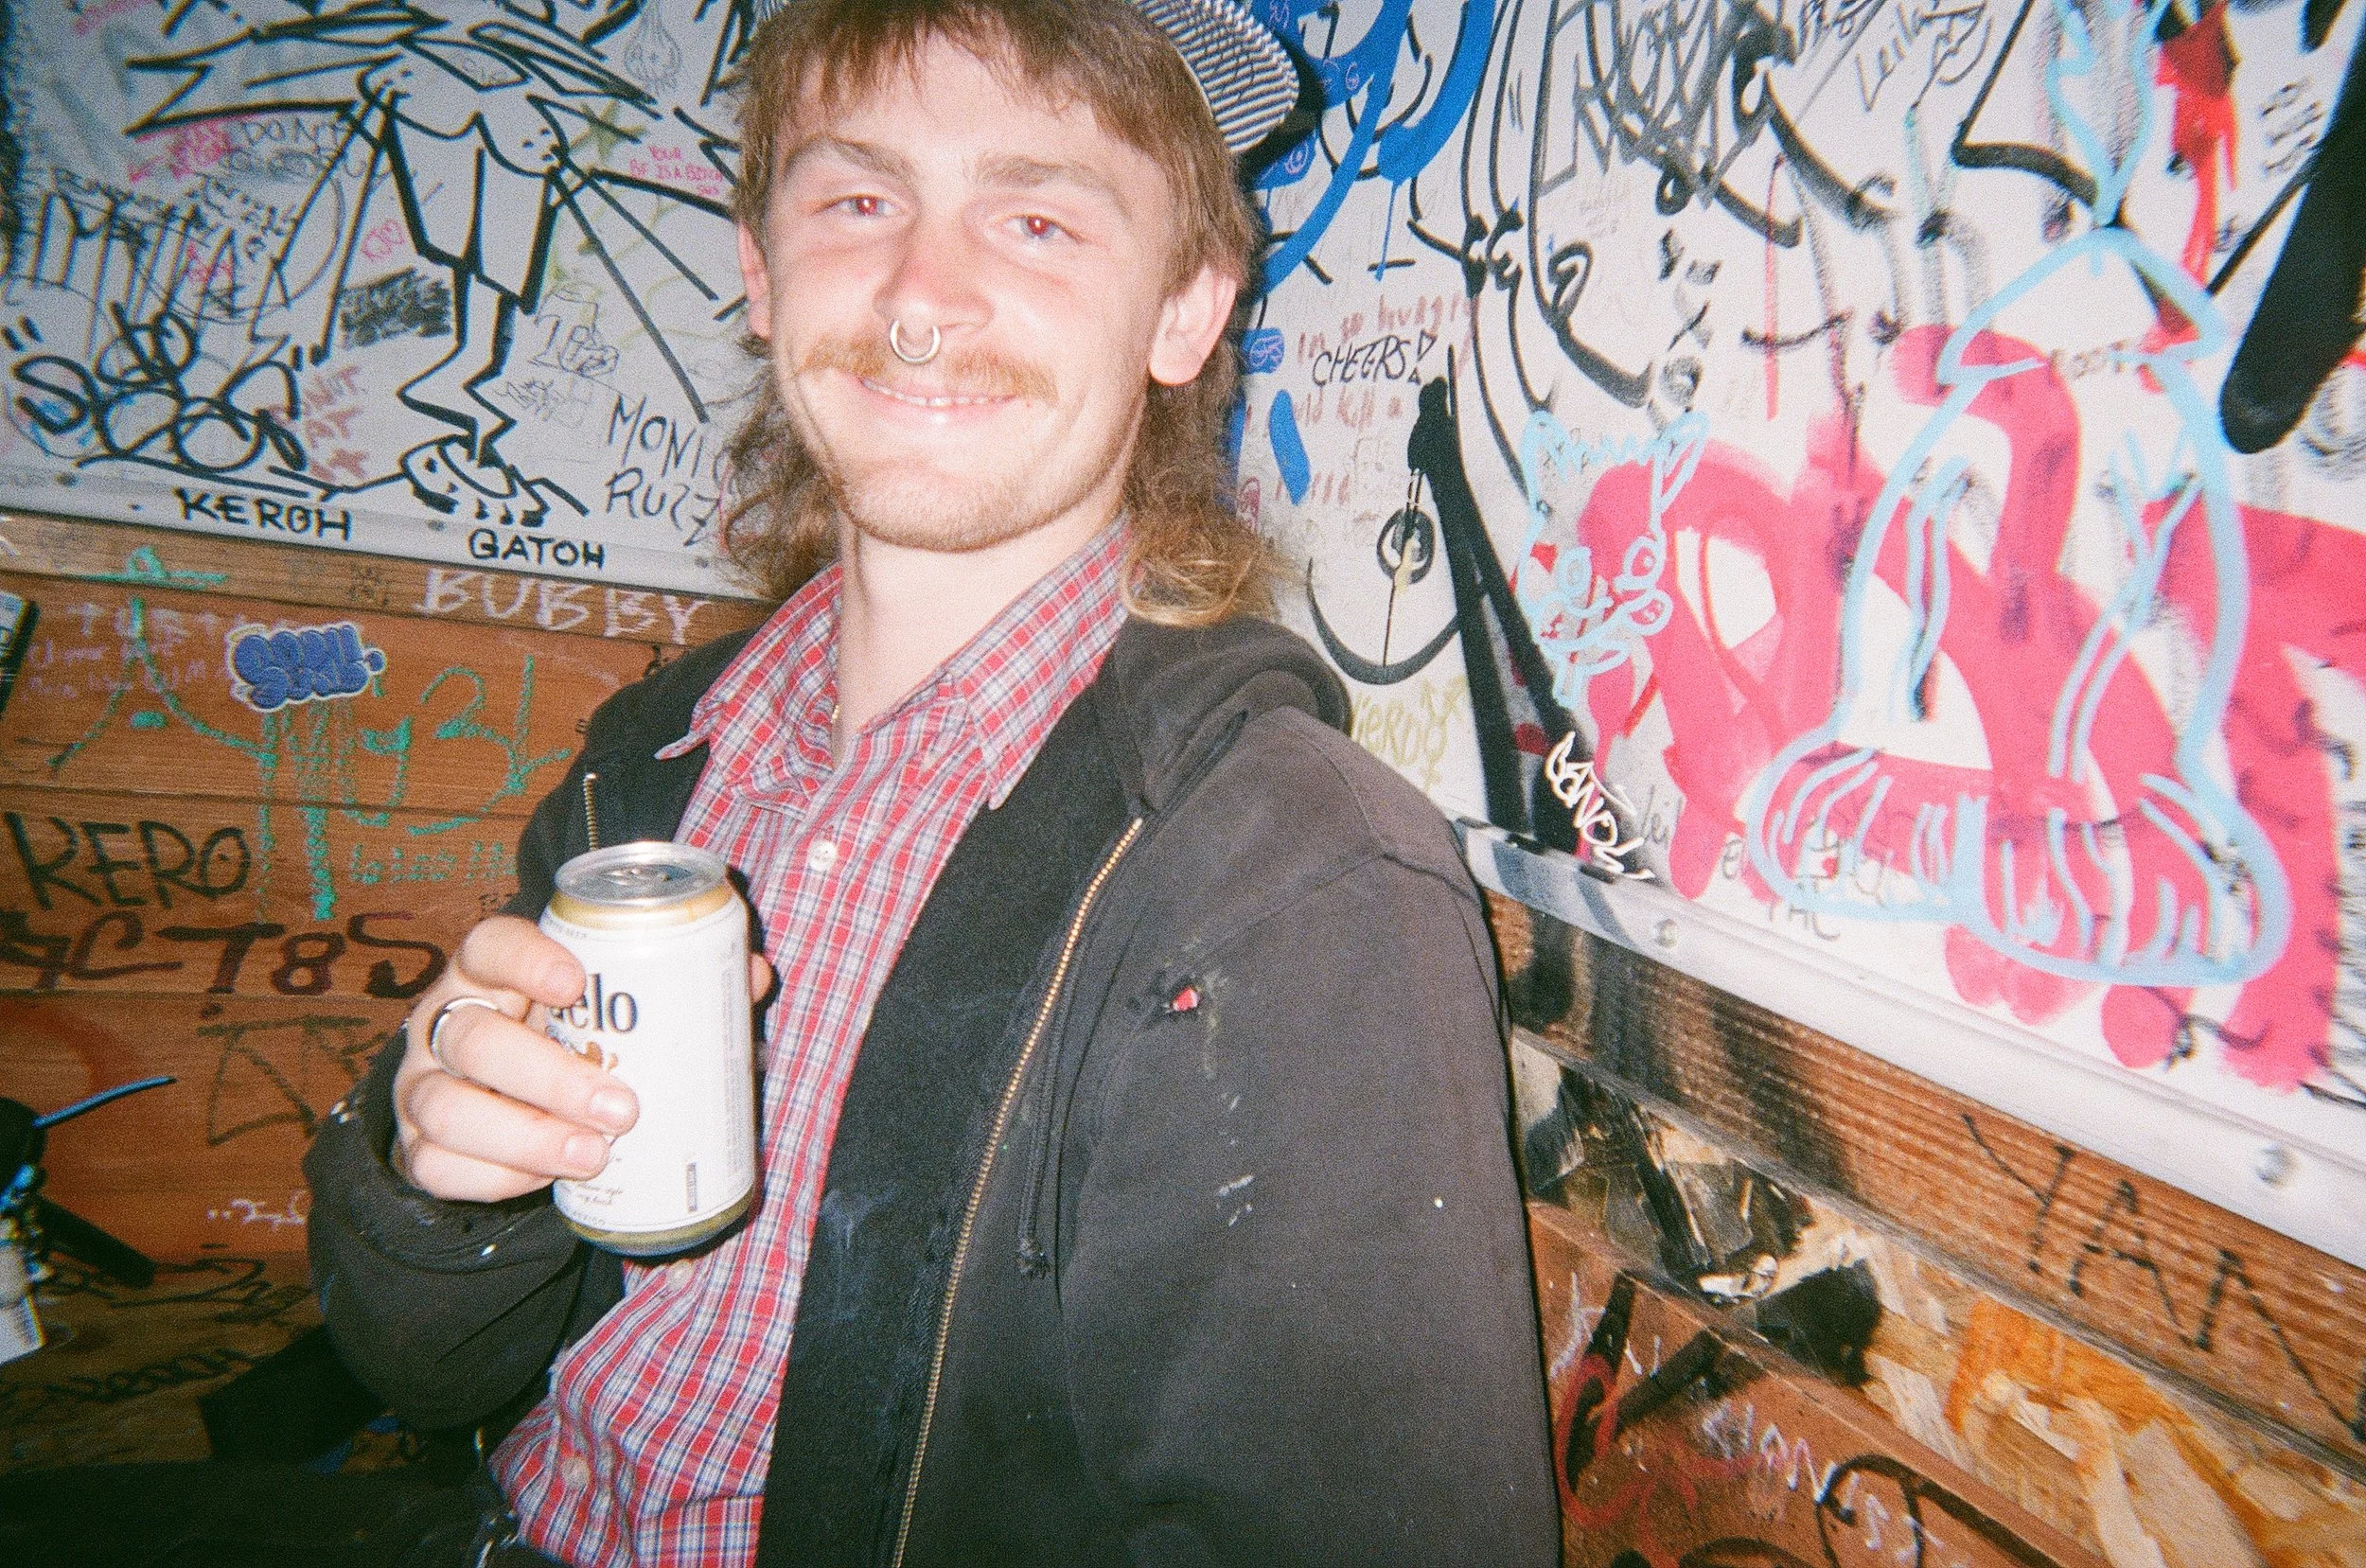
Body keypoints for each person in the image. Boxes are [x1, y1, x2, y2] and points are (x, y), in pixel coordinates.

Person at [304, 1, 1561, 1564]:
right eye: (858, 199)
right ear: (761, 272)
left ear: (1183, 313)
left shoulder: (1294, 880)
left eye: (1036, 220)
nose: (919, 297)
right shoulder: (654, 757)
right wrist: (442, 1191)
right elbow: (429, 1370)